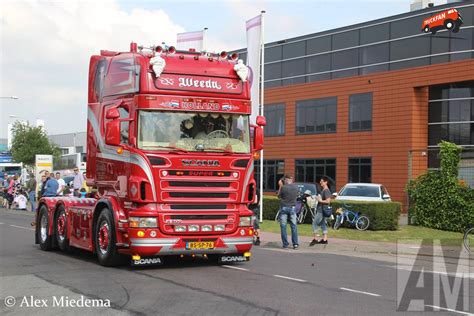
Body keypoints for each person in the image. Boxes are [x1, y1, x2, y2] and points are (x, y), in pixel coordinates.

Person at [278, 175, 299, 249]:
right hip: (292, 208)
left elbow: (279, 196)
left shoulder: (283, 187)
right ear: (291, 179)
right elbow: (297, 195)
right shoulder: (296, 187)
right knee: (294, 226)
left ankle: (285, 244)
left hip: (284, 207)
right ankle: (295, 244)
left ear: (286, 180)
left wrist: (280, 186)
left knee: (283, 226)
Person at [310, 176, 332, 246]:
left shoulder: (326, 190)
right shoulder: (324, 190)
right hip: (322, 210)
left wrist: (320, 200)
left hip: (321, 210)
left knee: (315, 223)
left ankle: (315, 239)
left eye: (322, 181)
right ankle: (325, 239)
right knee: (322, 224)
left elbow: (328, 201)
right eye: (320, 181)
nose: (320, 182)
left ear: (326, 182)